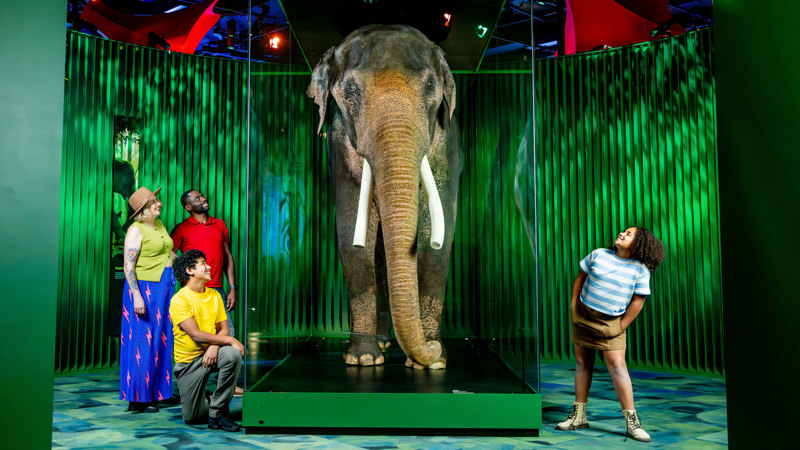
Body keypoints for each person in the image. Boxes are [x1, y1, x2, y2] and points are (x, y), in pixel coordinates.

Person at [556, 227, 665, 442]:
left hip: (611, 324)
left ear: (639, 244)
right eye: (623, 231)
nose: (622, 234)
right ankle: (579, 416)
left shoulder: (640, 269)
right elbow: (580, 278)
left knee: (617, 366)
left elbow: (638, 301)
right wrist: (572, 306)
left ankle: (632, 422)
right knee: (582, 363)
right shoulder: (598, 254)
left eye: (629, 234)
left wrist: (621, 326)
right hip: (583, 317)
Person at [170, 249, 244, 432]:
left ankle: (218, 412)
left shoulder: (214, 295)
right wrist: (228, 340)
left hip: (212, 353)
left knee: (232, 354)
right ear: (189, 270)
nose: (209, 266)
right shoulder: (179, 300)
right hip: (189, 364)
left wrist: (214, 346)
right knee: (194, 418)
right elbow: (195, 334)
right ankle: (209, 398)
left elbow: (224, 329)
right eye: (203, 263)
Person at [119, 187, 176, 412]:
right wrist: (136, 297)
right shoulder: (136, 229)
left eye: (158, 199)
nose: (159, 203)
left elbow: (167, 253)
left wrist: (188, 263)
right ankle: (139, 398)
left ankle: (159, 392)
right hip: (145, 288)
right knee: (143, 342)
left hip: (165, 287)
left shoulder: (159, 225)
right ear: (143, 208)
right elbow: (128, 265)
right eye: (153, 202)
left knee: (163, 340)